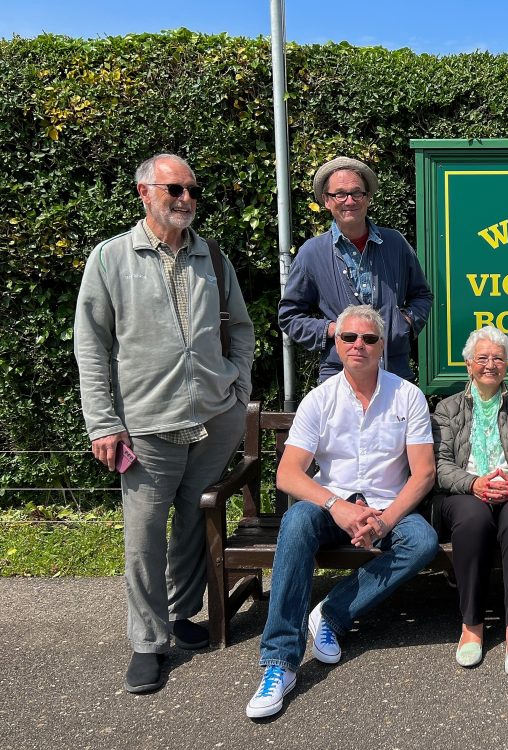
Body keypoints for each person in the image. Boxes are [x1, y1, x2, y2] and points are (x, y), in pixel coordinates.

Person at [74, 153, 254, 694]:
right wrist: (103, 424)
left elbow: (241, 329)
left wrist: (236, 385)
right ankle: (147, 643)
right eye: (174, 189)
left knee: (196, 525)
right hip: (146, 424)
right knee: (144, 536)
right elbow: (91, 344)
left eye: (192, 191)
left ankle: (180, 616)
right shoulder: (109, 259)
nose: (186, 199)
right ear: (144, 192)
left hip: (213, 419)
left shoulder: (213, 257)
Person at [246, 305, 438, 719]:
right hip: (331, 507)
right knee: (296, 520)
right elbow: (287, 474)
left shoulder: (407, 396)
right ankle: (280, 662)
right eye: (349, 337)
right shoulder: (321, 400)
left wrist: (384, 520)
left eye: (369, 339)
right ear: (336, 343)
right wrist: (335, 505)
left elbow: (423, 474)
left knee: (423, 540)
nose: (358, 345)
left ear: (382, 346)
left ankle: (331, 613)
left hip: (388, 508)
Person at [431, 326, 508, 677]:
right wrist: (474, 483)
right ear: (468, 365)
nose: (491, 364)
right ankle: (471, 623)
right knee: (473, 521)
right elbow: (441, 465)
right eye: (483, 358)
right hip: (464, 492)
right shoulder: (446, 408)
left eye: (498, 358)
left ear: (507, 365)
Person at [278, 156, 432, 381]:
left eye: (356, 193)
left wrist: (404, 323)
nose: (349, 201)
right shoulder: (312, 253)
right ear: (327, 201)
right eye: (340, 194)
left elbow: (422, 295)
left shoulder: (396, 243)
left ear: (367, 198)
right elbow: (289, 315)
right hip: (337, 374)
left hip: (393, 371)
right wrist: (333, 330)